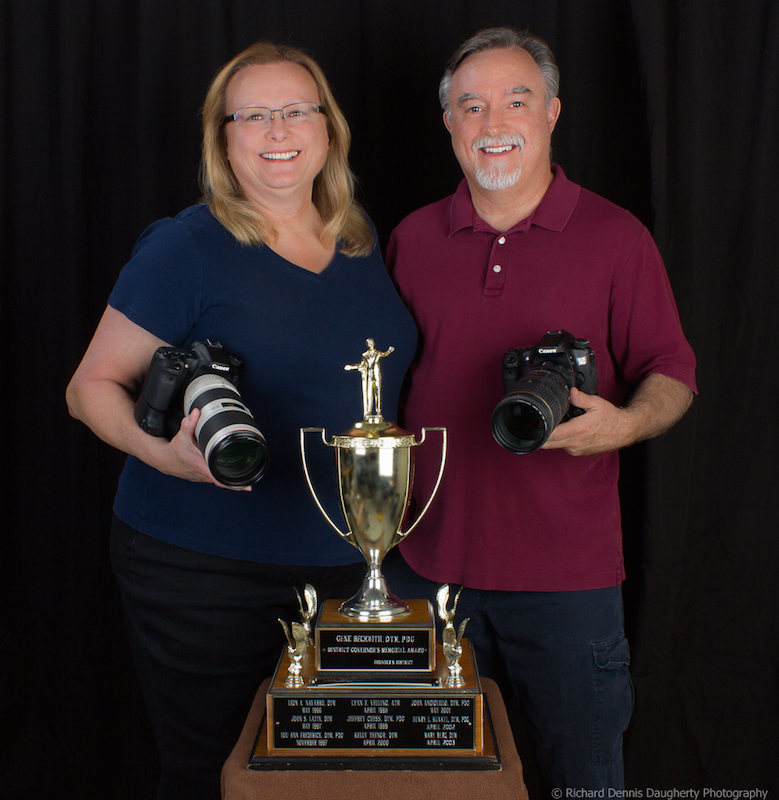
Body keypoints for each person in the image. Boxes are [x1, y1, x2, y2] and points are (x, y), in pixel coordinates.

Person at [66, 42, 416, 799]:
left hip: (349, 567)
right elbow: (89, 386)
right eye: (252, 116)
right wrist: (162, 455)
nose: (277, 131)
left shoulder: (360, 238)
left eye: (294, 111)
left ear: (328, 127)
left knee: (331, 778)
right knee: (218, 774)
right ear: (223, 140)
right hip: (203, 571)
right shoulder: (186, 246)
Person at [383, 27, 696, 795]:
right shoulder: (411, 239)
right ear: (449, 123)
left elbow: (672, 371)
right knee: (431, 787)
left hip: (567, 584)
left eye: (516, 102)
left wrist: (627, 423)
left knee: (582, 782)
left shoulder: (617, 238)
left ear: (552, 112)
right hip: (425, 571)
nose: (493, 124)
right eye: (472, 106)